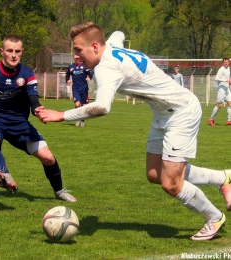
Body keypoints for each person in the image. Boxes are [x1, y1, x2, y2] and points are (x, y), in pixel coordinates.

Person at [35, 22, 231, 240]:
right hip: (163, 114)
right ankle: (223, 178)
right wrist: (111, 34)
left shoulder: (105, 69)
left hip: (181, 111)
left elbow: (102, 107)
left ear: (94, 46)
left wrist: (61, 115)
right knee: (155, 174)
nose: (77, 56)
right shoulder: (110, 45)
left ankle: (213, 216)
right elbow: (118, 33)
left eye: (78, 50)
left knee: (171, 183)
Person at [0, 34, 76, 202]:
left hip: (18, 123)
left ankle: (59, 191)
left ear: (22, 52)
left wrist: (37, 110)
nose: (14, 55)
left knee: (48, 157)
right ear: (2, 52)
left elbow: (32, 98)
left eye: (17, 51)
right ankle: (4, 174)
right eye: (10, 51)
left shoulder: (26, 74)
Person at [66, 55, 93, 126]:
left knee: (84, 105)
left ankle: (82, 121)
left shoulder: (84, 66)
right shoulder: (71, 67)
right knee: (77, 104)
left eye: (78, 58)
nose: (77, 59)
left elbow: (90, 73)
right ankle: (77, 119)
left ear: (80, 58)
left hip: (84, 88)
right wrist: (67, 80)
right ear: (74, 58)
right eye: (76, 58)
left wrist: (89, 78)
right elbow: (67, 74)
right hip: (75, 88)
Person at [208, 57, 231, 126]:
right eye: (224, 62)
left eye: (226, 62)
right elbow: (217, 78)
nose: (225, 63)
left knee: (230, 104)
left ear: (229, 62)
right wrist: (226, 80)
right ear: (222, 63)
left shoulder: (228, 68)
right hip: (221, 89)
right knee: (219, 105)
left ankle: (229, 120)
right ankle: (211, 119)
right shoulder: (221, 69)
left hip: (227, 89)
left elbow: (228, 77)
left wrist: (229, 81)